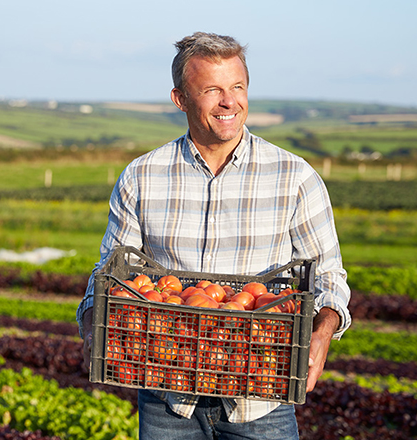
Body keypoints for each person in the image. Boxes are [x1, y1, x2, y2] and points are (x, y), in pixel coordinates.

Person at [77, 31, 351, 440]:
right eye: (212, 90)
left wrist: (322, 332)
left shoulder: (295, 177)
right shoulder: (142, 176)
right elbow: (112, 271)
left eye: (238, 87)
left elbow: (328, 276)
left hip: (261, 393)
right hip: (168, 396)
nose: (229, 102)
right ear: (180, 99)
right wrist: (91, 322)